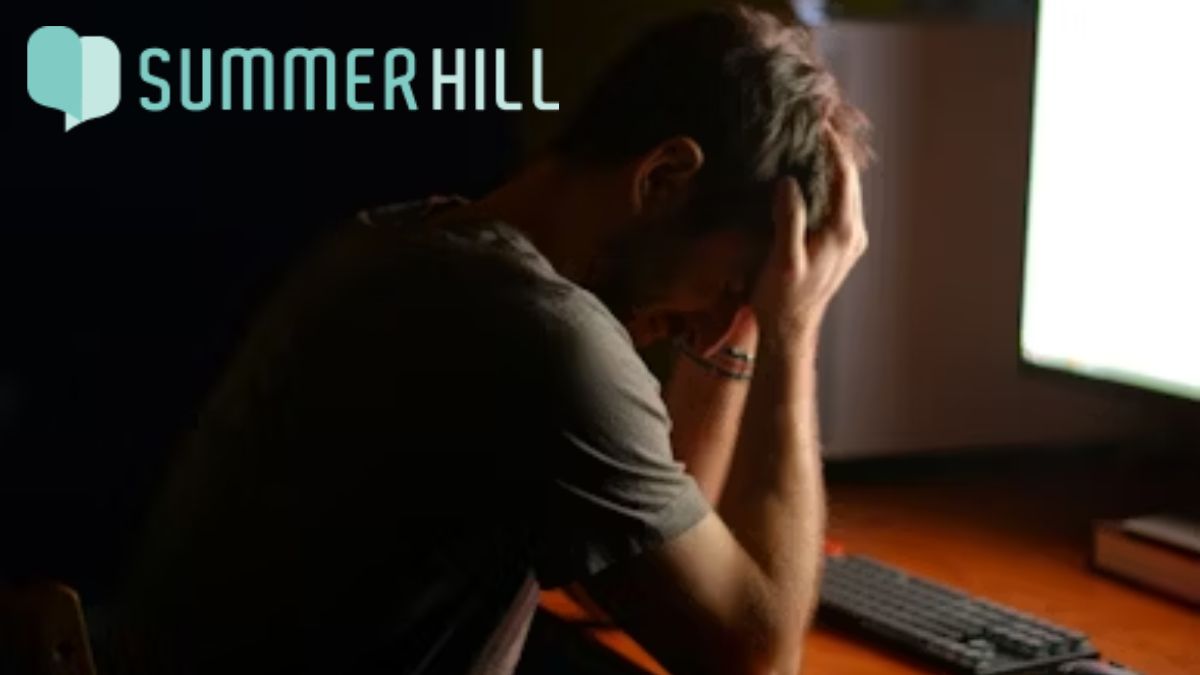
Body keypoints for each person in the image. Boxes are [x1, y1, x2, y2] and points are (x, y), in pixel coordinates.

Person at [111, 5, 869, 675]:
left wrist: (733, 338)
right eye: (738, 287)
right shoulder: (540, 332)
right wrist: (792, 333)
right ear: (663, 176)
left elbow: (653, 562)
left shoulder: (407, 244)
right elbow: (757, 658)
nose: (723, 318)